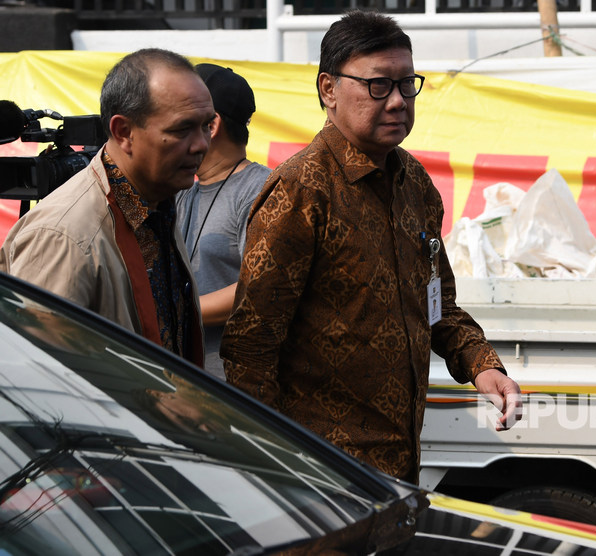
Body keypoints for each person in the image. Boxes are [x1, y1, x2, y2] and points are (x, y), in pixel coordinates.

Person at [221, 11, 522, 484]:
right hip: (318, 470)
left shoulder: (415, 183)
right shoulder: (301, 190)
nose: (399, 101)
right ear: (328, 90)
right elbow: (250, 346)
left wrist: (483, 365)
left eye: (408, 84)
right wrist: (273, 464)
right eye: (379, 86)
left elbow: (437, 305)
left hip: (399, 463)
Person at [0, 48, 211, 366]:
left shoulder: (157, 202)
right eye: (181, 129)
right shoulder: (64, 235)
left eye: (207, 125)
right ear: (124, 132)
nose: (202, 144)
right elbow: (39, 378)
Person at [177, 64, 271, 380]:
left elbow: (258, 288)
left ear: (212, 125)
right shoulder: (180, 186)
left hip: (229, 388)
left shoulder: (261, 190)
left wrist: (177, 312)